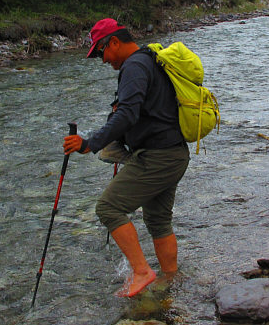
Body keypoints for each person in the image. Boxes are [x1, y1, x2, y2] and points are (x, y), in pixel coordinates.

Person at [63, 18, 190, 297]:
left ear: (115, 42)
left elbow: (128, 114)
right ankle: (170, 280)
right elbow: (143, 112)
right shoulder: (149, 59)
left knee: (108, 207)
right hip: (174, 154)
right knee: (158, 220)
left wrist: (90, 143)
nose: (102, 59)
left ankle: (142, 272)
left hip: (158, 157)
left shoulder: (134, 66)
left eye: (100, 52)